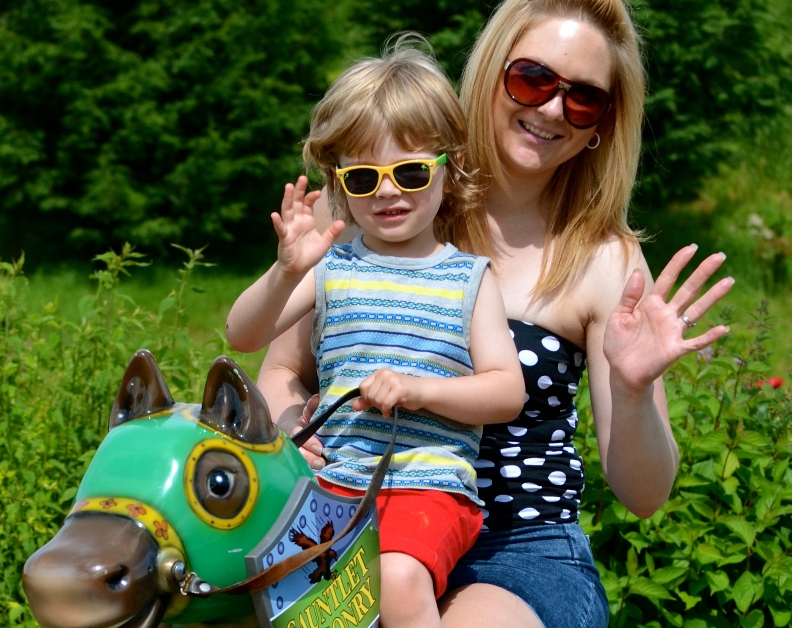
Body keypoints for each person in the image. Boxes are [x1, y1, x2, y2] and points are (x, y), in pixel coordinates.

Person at [254, 1, 735, 627]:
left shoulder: (603, 258)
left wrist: (633, 388)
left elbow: (644, 496)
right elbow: (280, 371)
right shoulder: (378, 198)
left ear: (601, 126)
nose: (552, 109)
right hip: (351, 522)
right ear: (489, 74)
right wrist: (294, 432)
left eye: (583, 98)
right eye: (532, 78)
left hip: (518, 552)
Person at [225, 43, 526, 628]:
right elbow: (242, 334)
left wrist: (419, 390)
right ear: (341, 182)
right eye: (364, 178)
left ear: (450, 167)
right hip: (330, 481)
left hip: (429, 484)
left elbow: (505, 391)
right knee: (273, 586)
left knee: (393, 578)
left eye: (410, 172)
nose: (388, 192)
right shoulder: (332, 268)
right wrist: (286, 270)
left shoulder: (468, 279)